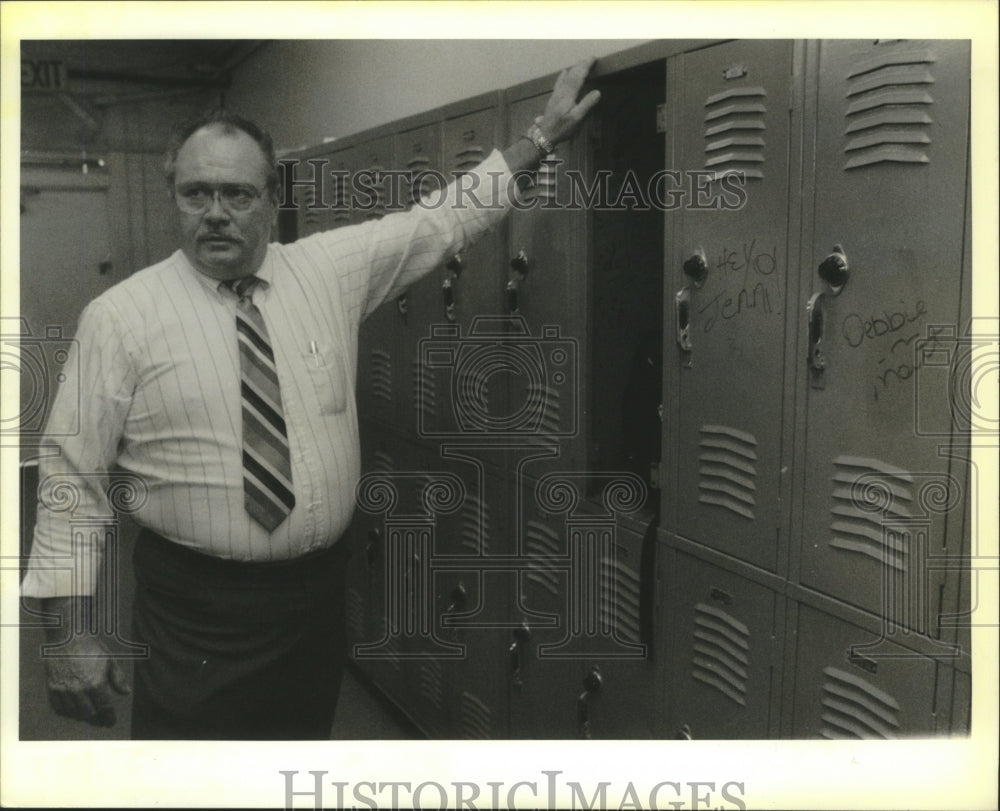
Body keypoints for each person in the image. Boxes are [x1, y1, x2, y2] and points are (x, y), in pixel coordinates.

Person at [22, 59, 601, 739]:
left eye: (237, 195)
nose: (214, 213)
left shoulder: (327, 271)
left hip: (314, 599)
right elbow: (70, 474)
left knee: (296, 756)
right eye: (195, 193)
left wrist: (540, 135)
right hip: (193, 609)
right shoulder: (119, 317)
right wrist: (65, 636)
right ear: (171, 195)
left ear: (272, 200)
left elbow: (440, 222)